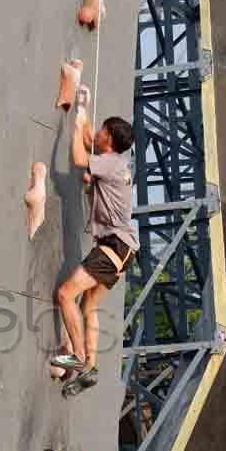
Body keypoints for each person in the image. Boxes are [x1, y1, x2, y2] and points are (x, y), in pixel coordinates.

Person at [50, 87, 138, 394]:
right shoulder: (115, 163)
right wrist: (83, 109)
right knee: (88, 306)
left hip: (112, 248)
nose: (97, 132)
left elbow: (78, 155)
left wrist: (75, 125)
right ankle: (89, 367)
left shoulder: (111, 164)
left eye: (103, 130)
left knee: (64, 294)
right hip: (123, 250)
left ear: (110, 141)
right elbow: (90, 143)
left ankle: (76, 357)